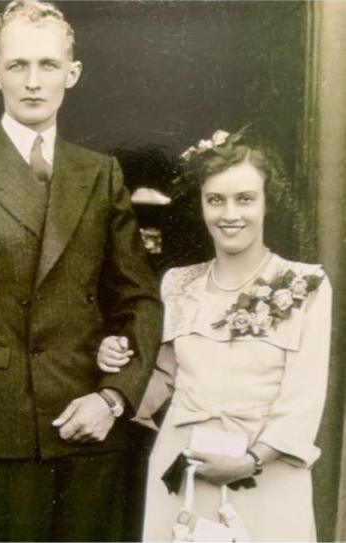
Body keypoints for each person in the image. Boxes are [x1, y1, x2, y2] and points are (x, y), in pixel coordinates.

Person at [0, 1, 162, 540]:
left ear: (71, 75)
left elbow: (139, 298)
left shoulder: (100, 173)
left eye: (48, 66)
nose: (32, 82)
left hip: (89, 427)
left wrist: (113, 396)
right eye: (18, 65)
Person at [103, 130, 331, 541]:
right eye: (216, 200)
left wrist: (251, 461)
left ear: (266, 202)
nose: (230, 214)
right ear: (201, 205)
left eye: (245, 199)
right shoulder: (177, 283)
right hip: (185, 468)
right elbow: (160, 379)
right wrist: (116, 361)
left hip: (265, 473)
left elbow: (305, 397)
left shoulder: (305, 284)